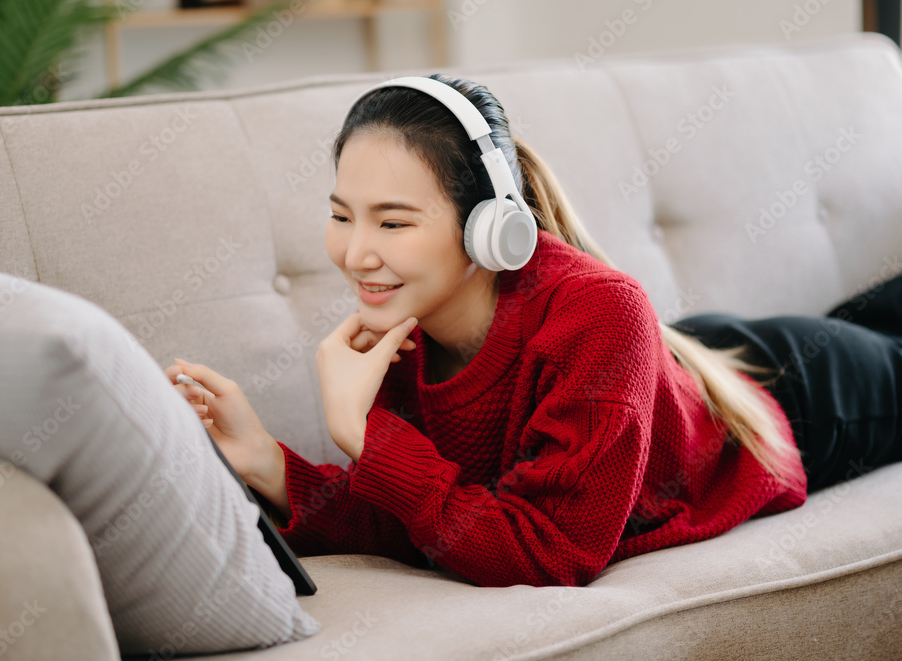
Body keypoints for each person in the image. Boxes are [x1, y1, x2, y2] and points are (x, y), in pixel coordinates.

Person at [165, 73, 902, 588]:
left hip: (800, 401)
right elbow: (421, 522)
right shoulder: (397, 330)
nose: (356, 254)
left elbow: (553, 552)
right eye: (341, 215)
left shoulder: (598, 312)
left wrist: (364, 434)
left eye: (392, 221)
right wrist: (268, 461)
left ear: (492, 230)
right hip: (678, 364)